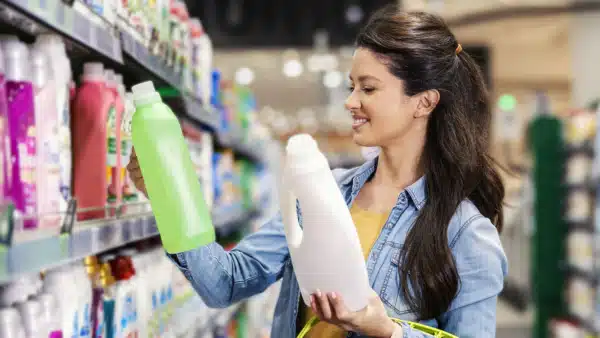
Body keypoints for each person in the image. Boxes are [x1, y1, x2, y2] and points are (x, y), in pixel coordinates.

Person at [127, 4, 507, 337]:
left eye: (368, 89)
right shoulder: (326, 193)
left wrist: (387, 331)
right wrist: (167, 196)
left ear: (424, 102)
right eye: (351, 86)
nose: (350, 102)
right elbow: (224, 283)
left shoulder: (465, 232)